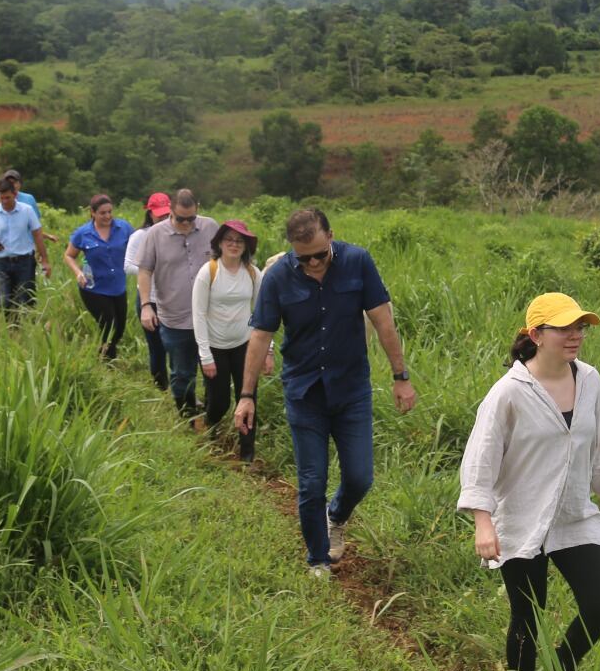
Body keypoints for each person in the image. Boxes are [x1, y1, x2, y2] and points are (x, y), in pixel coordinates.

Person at [457, 293, 600, 671]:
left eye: (580, 327)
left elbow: (598, 445)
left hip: (572, 516)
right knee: (527, 618)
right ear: (536, 334)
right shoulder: (509, 393)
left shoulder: (589, 380)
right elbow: (481, 458)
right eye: (564, 328)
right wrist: (483, 522)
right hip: (522, 518)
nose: (575, 336)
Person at [236, 207, 416, 578]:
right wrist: (246, 395)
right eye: (305, 258)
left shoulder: (357, 262)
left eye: (321, 254)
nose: (315, 264)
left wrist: (401, 375)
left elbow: (383, 320)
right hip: (305, 393)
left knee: (360, 477)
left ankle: (337, 516)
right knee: (311, 481)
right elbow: (260, 337)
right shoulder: (278, 277)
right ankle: (317, 559)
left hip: (351, 390)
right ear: (292, 251)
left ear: (331, 236)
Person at [192, 220, 272, 462]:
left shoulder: (253, 273)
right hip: (215, 346)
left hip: (245, 346)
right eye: (229, 240)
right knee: (219, 401)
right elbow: (198, 314)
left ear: (247, 246)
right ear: (219, 243)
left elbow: (264, 315)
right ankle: (212, 431)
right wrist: (205, 356)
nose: (234, 245)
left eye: (239, 241)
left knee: (247, 397)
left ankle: (247, 452)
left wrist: (268, 350)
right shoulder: (209, 272)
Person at [136, 189, 219, 419]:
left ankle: (213, 419)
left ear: (198, 209)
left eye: (191, 218)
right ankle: (188, 417)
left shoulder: (211, 227)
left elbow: (226, 260)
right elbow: (144, 270)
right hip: (174, 317)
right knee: (182, 373)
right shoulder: (154, 234)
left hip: (210, 316)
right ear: (170, 211)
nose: (185, 224)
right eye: (180, 218)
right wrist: (145, 305)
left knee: (214, 371)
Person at [64, 194, 134, 360]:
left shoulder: (123, 228)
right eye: (103, 213)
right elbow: (68, 255)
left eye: (110, 212)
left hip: (118, 286)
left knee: (120, 328)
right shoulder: (83, 233)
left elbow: (138, 245)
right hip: (93, 287)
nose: (108, 216)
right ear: (93, 213)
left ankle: (102, 352)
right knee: (109, 325)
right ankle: (107, 363)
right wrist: (78, 272)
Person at [0, 177, 50, 319]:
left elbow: (37, 235)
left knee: (26, 298)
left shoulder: (27, 210)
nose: (5, 201)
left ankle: (29, 330)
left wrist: (45, 260)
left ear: (15, 195)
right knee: (4, 301)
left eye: (8, 198)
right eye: (2, 198)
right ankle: (12, 330)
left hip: (24, 261)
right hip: (2, 262)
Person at [124, 192, 172, 390]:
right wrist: (153, 269)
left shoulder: (176, 234)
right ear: (150, 213)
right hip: (149, 299)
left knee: (178, 346)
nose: (163, 219)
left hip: (173, 299)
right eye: (159, 215)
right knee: (157, 347)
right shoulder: (140, 236)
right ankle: (161, 386)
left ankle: (182, 387)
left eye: (166, 214)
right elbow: (127, 266)